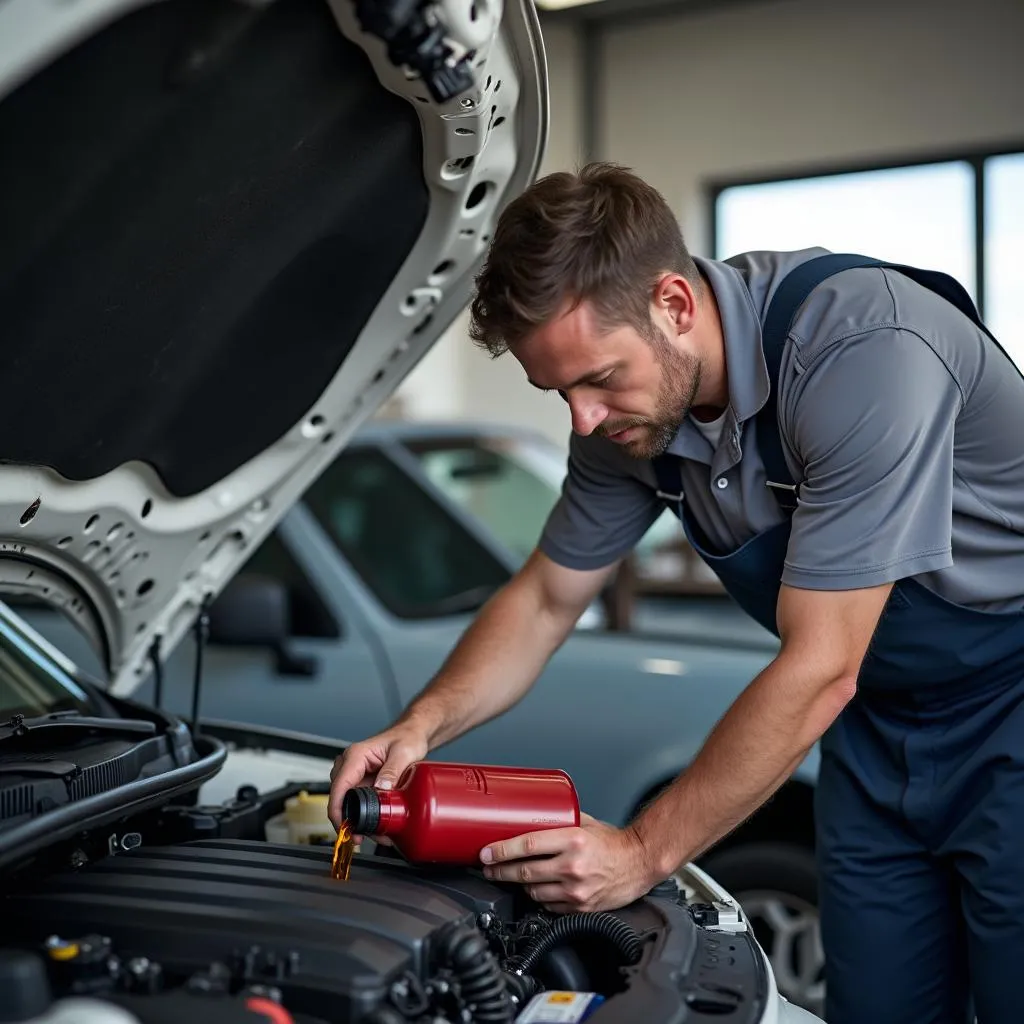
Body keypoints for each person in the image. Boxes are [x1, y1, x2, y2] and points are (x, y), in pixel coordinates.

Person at [329, 162, 1024, 1023]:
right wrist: (419, 726)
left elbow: (820, 665)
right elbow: (547, 597)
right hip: (878, 729)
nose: (582, 420)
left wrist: (643, 851)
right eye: (560, 392)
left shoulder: (862, 354)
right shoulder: (632, 419)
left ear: (676, 305)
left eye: (599, 378)